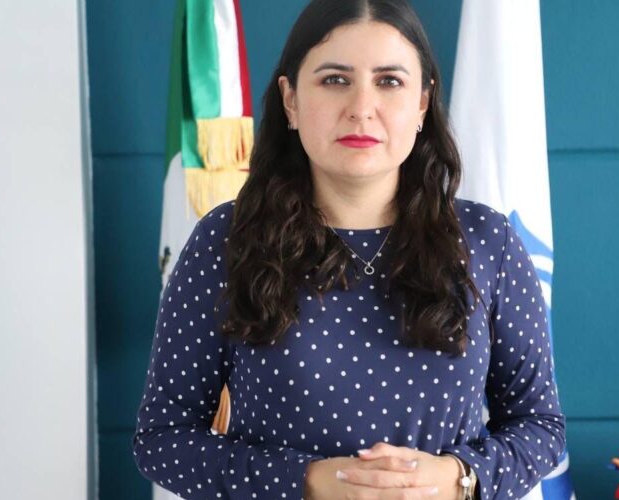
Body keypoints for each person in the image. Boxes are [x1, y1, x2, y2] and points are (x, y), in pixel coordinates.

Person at [132, 0, 566, 498]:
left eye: (389, 81)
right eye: (335, 80)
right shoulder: (226, 240)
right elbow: (162, 439)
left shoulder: (487, 241)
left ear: (422, 103)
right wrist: (306, 482)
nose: (362, 107)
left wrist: (458, 478)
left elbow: (541, 427)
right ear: (290, 100)